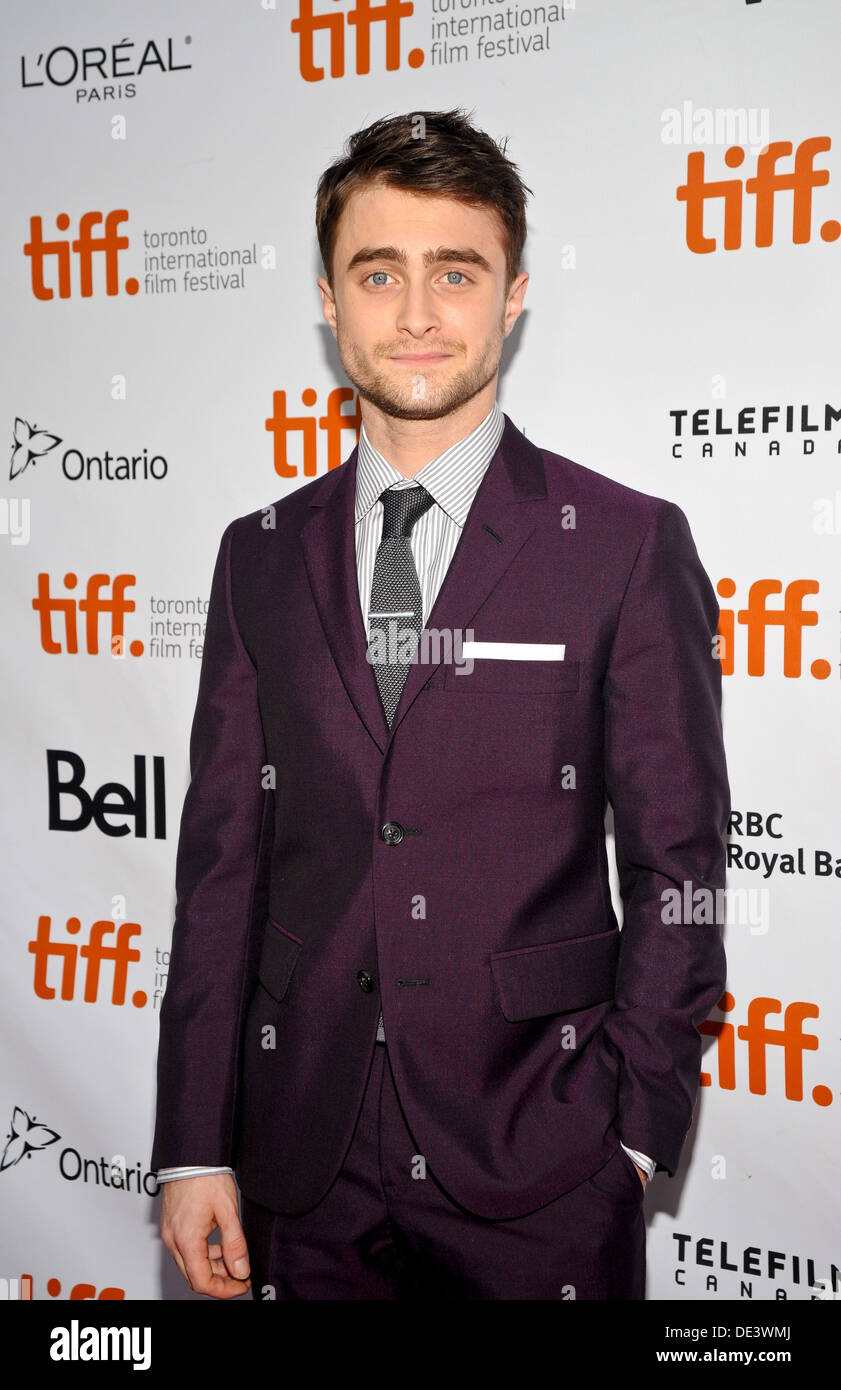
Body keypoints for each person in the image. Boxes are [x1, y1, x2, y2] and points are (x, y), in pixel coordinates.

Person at [151, 108, 729, 1301]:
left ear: (512, 294)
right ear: (328, 299)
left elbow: (683, 867)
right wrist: (196, 1139)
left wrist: (627, 1136)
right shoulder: (255, 555)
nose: (416, 314)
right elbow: (219, 870)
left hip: (543, 1158)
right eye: (379, 273)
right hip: (296, 1160)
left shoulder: (621, 544)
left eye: (454, 272)